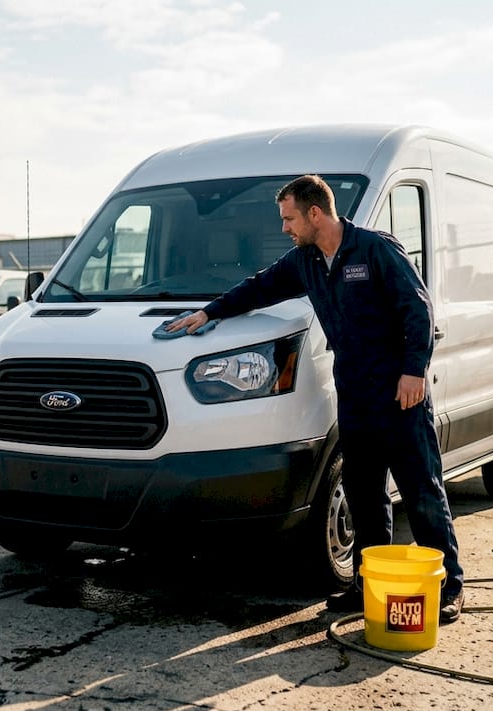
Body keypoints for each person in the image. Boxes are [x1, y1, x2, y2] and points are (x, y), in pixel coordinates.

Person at [166, 174, 465, 623]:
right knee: (366, 498)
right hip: (356, 399)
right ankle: (367, 586)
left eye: (288, 219)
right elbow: (260, 286)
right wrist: (210, 312)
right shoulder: (305, 260)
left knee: (422, 493)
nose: (284, 228)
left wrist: (412, 370)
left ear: (315, 213)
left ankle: (450, 588)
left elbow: (417, 309)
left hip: (400, 396)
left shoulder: (374, 250)